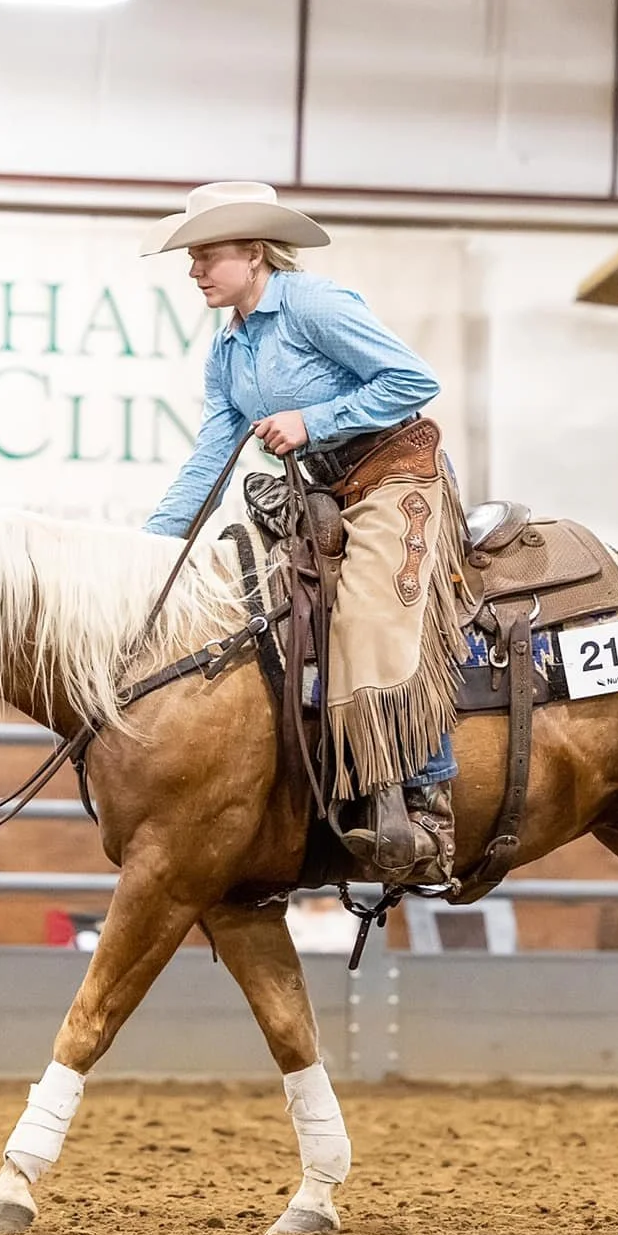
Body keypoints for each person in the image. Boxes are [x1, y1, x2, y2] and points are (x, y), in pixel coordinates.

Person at [140, 181, 468, 885]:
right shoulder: (228, 352)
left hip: (395, 476)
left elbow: (412, 380)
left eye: (206, 255)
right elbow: (209, 460)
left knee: (376, 613)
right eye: (191, 258)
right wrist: (151, 549)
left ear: (255, 253)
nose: (194, 270)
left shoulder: (314, 304)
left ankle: (429, 797)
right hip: (320, 495)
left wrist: (309, 422)